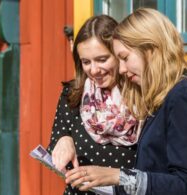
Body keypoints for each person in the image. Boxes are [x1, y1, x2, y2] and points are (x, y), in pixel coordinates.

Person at [65, 8, 187, 195]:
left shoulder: (182, 96)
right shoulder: (161, 96)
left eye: (125, 58)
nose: (121, 69)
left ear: (150, 50)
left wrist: (119, 176)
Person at [47, 15, 141, 195]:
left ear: (119, 55)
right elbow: (56, 146)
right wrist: (63, 140)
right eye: (86, 62)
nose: (94, 70)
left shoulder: (141, 95)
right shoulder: (73, 94)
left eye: (102, 59)